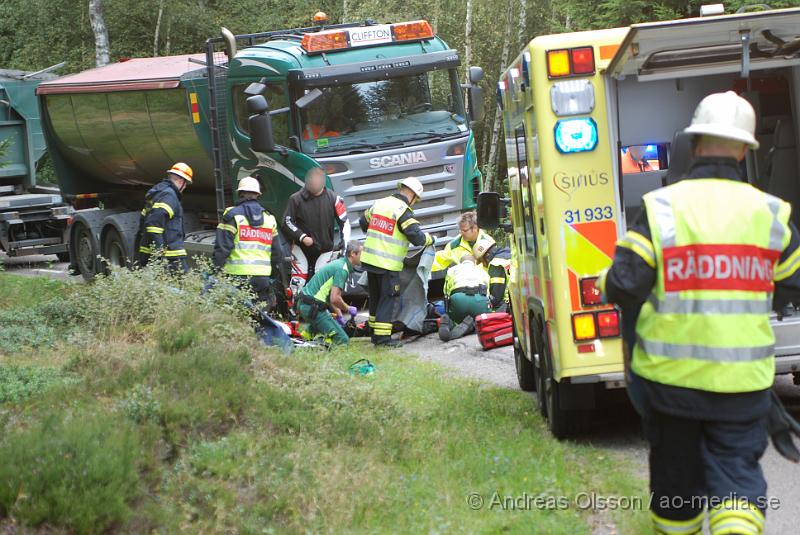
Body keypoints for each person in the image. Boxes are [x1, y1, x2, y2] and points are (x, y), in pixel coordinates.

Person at [598, 91, 800, 535]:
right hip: (743, 387)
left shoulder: (662, 209)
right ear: (746, 148)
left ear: (695, 142)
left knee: (677, 501)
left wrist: (605, 281)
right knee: (738, 497)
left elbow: (625, 285)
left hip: (672, 387)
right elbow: (793, 282)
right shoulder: (771, 214)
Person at [359, 176, 433, 347]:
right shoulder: (402, 210)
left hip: (370, 260)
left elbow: (363, 222)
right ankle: (383, 339)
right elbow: (417, 237)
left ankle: (374, 335)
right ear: (413, 195)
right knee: (388, 297)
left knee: (375, 298)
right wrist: (430, 239)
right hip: (387, 263)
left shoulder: (379, 203)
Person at [213, 176, 281, 305]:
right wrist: (270, 276)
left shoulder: (232, 216)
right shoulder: (269, 218)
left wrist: (215, 271)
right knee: (259, 316)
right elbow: (278, 252)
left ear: (240, 194)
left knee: (237, 314)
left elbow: (222, 248)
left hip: (237, 275)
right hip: (262, 277)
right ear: (257, 195)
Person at [282, 167, 351, 293]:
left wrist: (344, 244)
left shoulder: (334, 198)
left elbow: (345, 222)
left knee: (322, 282)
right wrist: (302, 237)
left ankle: (321, 308)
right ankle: (294, 307)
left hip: (325, 248)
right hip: (301, 247)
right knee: (298, 282)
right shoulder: (295, 199)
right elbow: (286, 222)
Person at [297, 240, 363, 345]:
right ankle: (323, 350)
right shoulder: (342, 269)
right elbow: (335, 298)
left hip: (306, 304)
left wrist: (340, 316)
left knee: (318, 328)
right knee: (343, 340)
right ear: (353, 254)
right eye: (361, 254)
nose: (363, 257)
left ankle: (305, 342)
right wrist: (348, 308)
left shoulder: (339, 263)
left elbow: (331, 297)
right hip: (313, 308)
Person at [136, 162, 192, 273]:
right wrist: (159, 250)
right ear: (181, 182)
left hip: (149, 251)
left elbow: (143, 220)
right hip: (171, 255)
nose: (185, 187)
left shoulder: (158, 193)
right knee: (185, 282)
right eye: (186, 184)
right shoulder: (169, 196)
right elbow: (154, 223)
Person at [438, 255, 491, 342]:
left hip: (458, 299)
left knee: (454, 316)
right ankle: (473, 325)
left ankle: (450, 324)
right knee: (483, 319)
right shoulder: (482, 271)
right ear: (474, 262)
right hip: (479, 301)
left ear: (461, 262)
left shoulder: (452, 270)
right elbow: (488, 291)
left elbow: (446, 292)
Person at [473, 234, 512, 312]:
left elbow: (496, 297)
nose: (483, 264)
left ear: (487, 256)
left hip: (508, 305)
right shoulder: (510, 253)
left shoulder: (495, 264)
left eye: (482, 261)